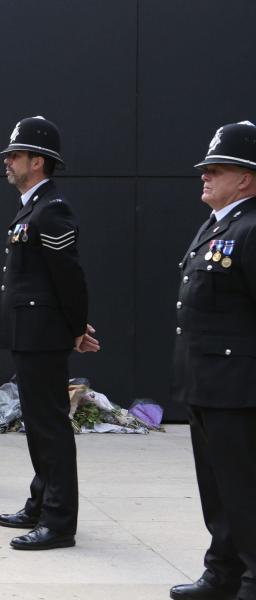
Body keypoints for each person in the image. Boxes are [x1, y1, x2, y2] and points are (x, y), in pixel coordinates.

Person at [0, 116, 99, 550]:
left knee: (50, 426)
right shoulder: (31, 207)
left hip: (44, 334)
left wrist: (76, 328)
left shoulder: (52, 208)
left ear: (38, 162)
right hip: (30, 332)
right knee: (38, 426)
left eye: (15, 156)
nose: (7, 162)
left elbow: (68, 276)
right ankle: (41, 501)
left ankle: (59, 521)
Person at [169, 121, 256, 600]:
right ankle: (222, 571)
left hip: (237, 385)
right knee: (217, 490)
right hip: (205, 381)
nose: (205, 176)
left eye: (216, 170)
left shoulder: (251, 227)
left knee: (244, 490)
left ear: (245, 178)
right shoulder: (216, 225)